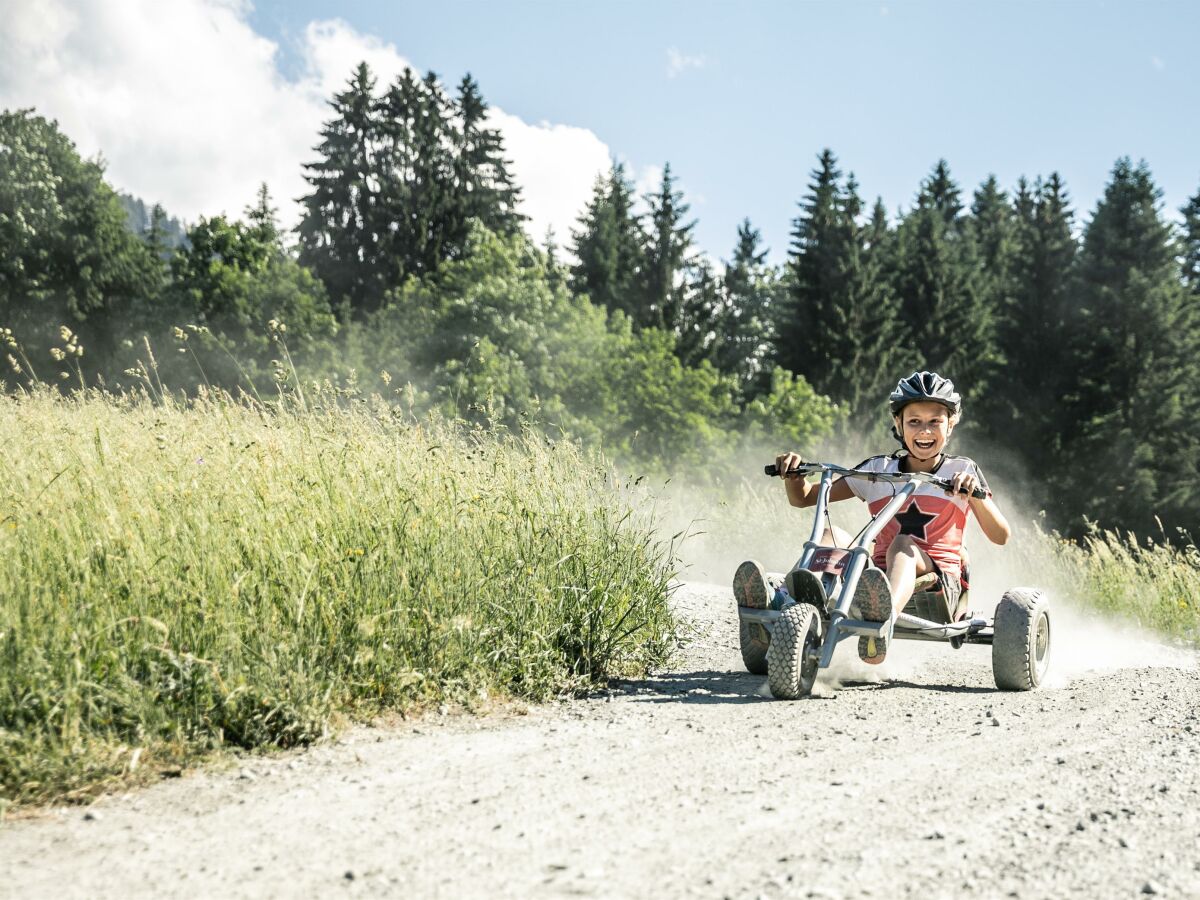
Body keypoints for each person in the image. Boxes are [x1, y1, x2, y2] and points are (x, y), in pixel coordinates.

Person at [732, 371, 1011, 665]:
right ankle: (782, 603)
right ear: (898, 424)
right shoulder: (880, 469)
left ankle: (881, 618)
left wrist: (973, 495)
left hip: (939, 581)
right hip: (872, 581)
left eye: (935, 421)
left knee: (902, 545)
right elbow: (804, 498)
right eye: (914, 421)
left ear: (951, 424)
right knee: (833, 537)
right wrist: (793, 473)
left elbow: (1000, 535)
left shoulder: (960, 470)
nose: (925, 431)